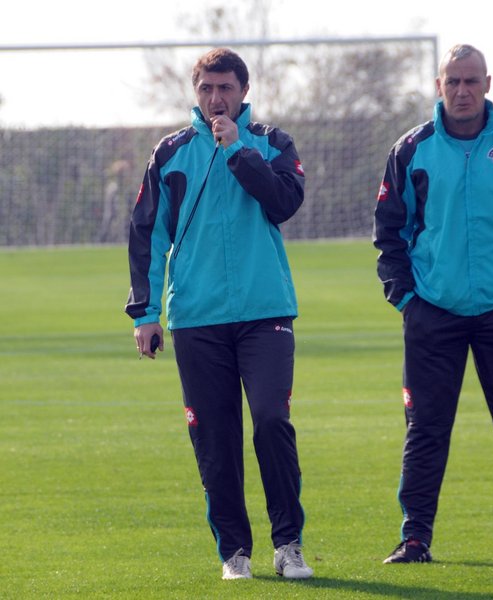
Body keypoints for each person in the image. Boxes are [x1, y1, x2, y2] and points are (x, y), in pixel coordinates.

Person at [125, 48, 313, 581]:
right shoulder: (169, 154)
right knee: (214, 437)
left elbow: (284, 203)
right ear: (196, 92)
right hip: (197, 318)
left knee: (272, 421)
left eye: (225, 88)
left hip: (265, 312)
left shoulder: (273, 143)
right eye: (206, 88)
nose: (215, 98)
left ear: (243, 92)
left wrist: (238, 150)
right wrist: (144, 313)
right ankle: (235, 552)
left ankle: (289, 544)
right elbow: (147, 233)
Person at [373, 43, 493, 564]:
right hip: (434, 312)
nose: (462, 91)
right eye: (452, 81)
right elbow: (389, 232)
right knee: (425, 431)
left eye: (471, 81)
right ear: (439, 86)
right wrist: (407, 300)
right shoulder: (411, 150)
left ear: (487, 85)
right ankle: (415, 538)